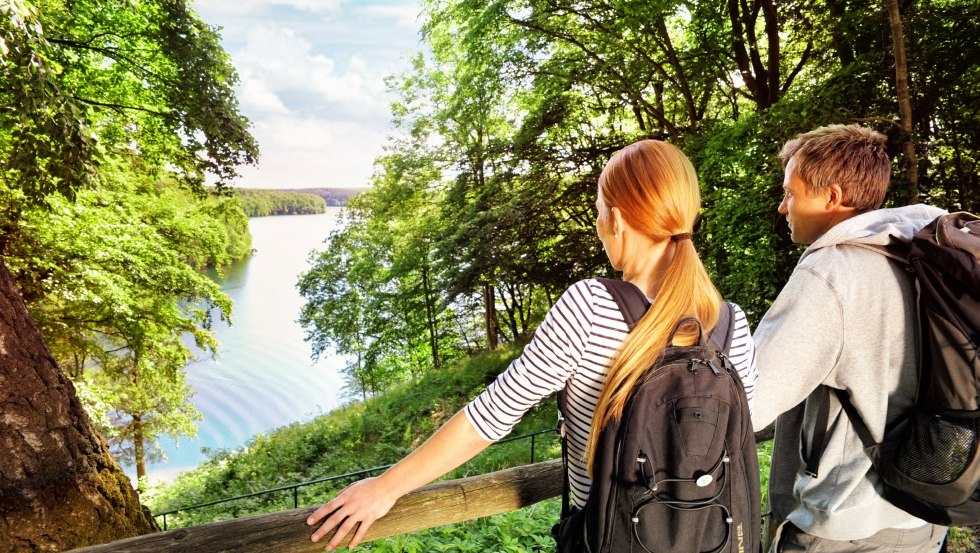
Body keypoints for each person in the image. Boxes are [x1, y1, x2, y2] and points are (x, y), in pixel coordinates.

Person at [306, 139, 758, 551]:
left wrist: (384, 489)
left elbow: (491, 416)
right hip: (708, 539)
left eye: (599, 211)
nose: (599, 225)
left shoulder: (592, 305)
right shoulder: (731, 323)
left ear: (617, 219)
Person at [751, 124, 948, 552]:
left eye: (791, 193)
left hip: (847, 525)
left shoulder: (831, 274)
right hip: (925, 515)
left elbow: (749, 400)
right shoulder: (925, 258)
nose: (784, 207)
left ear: (833, 197)